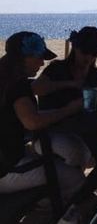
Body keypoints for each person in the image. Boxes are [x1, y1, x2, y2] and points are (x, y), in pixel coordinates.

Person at [0, 32, 85, 201]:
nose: (42, 62)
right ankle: (51, 222)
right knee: (76, 180)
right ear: (24, 58)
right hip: (7, 169)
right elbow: (32, 121)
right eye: (39, 57)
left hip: (8, 160)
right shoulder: (17, 85)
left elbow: (25, 111)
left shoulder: (6, 78)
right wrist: (68, 110)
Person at [31, 26, 97, 168]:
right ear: (75, 47)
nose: (89, 57)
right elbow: (36, 88)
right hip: (50, 132)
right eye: (85, 51)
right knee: (77, 151)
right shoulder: (57, 69)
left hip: (84, 130)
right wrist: (70, 84)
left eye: (95, 53)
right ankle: (78, 187)